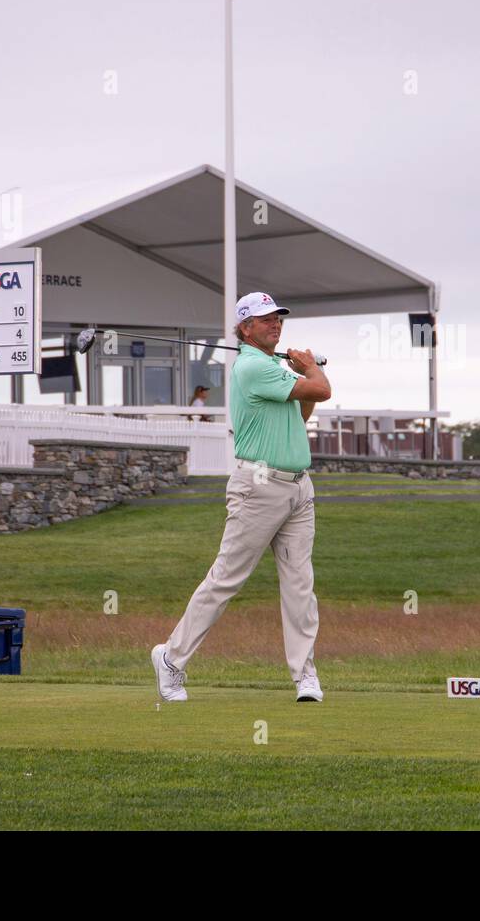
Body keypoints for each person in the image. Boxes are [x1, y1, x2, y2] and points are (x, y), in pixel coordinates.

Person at [152, 291, 331, 703]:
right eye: (266, 319)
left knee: (300, 585)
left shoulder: (272, 366)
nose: (276, 324)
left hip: (298, 487)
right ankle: (171, 660)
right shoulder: (252, 366)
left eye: (279, 318)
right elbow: (322, 392)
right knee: (227, 579)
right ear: (246, 328)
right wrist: (310, 369)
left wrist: (303, 373)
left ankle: (305, 674)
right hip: (259, 486)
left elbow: (304, 409)